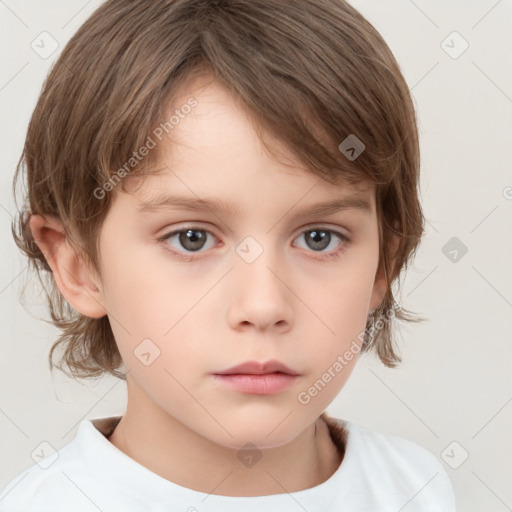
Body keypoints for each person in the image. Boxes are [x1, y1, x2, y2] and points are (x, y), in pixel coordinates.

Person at [0, 0, 456, 510]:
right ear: (78, 265)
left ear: (383, 263)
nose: (263, 307)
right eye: (191, 238)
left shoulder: (415, 488)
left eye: (319, 238)